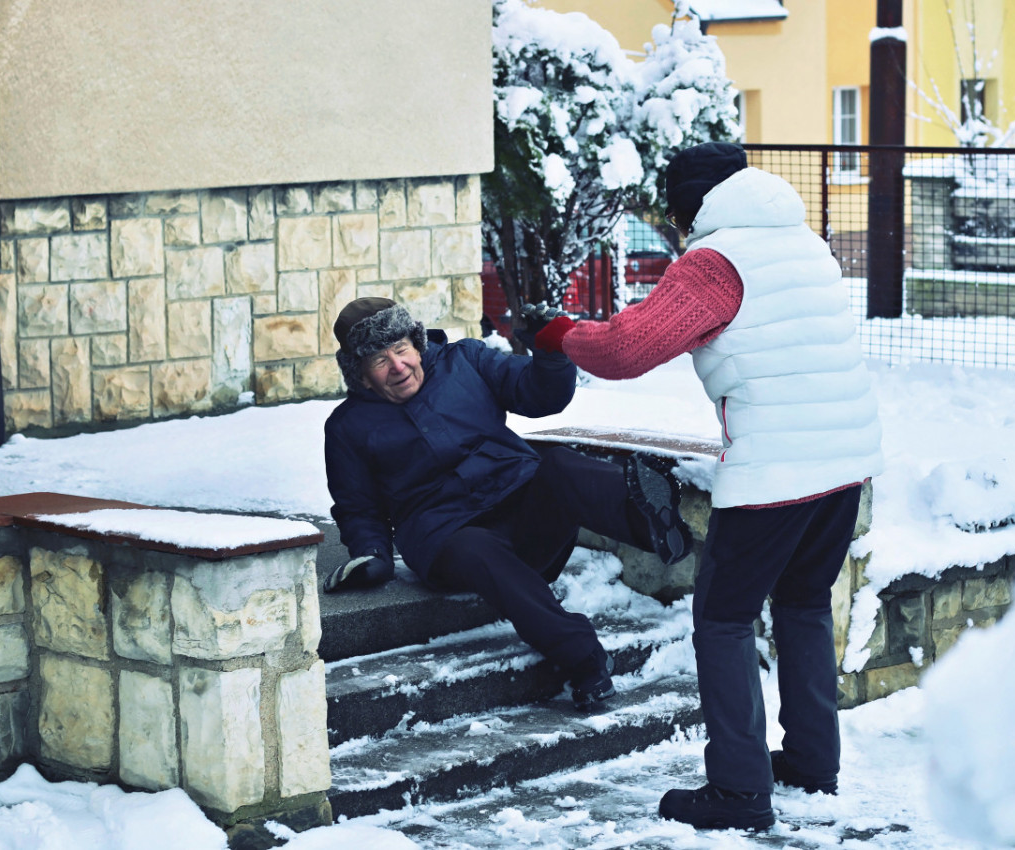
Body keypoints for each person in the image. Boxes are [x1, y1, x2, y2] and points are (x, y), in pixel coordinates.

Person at [526, 142, 884, 828]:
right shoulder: (800, 241)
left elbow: (626, 350)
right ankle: (811, 763)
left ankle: (738, 792)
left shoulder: (714, 262)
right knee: (804, 603)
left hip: (777, 468)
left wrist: (559, 333)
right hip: (844, 460)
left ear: (688, 207)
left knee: (721, 618)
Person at [322, 296, 693, 711]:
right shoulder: (347, 428)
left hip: (523, 512)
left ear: (416, 342)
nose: (398, 365)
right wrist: (371, 554)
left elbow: (538, 396)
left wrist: (550, 354)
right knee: (478, 550)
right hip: (448, 537)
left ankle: (652, 525)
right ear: (360, 374)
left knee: (557, 465)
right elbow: (358, 508)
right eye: (379, 359)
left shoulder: (466, 360)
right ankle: (583, 659)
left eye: (402, 348)